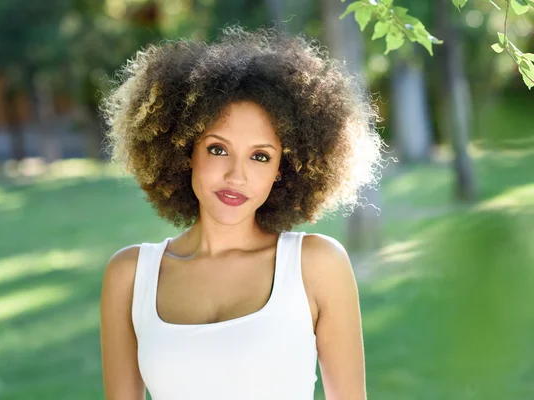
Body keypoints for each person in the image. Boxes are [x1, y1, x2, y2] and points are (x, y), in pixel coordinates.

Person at [99, 25, 383, 400]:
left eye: (260, 156)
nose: (236, 176)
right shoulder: (130, 276)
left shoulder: (316, 265)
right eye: (218, 149)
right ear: (185, 150)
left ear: (283, 168)